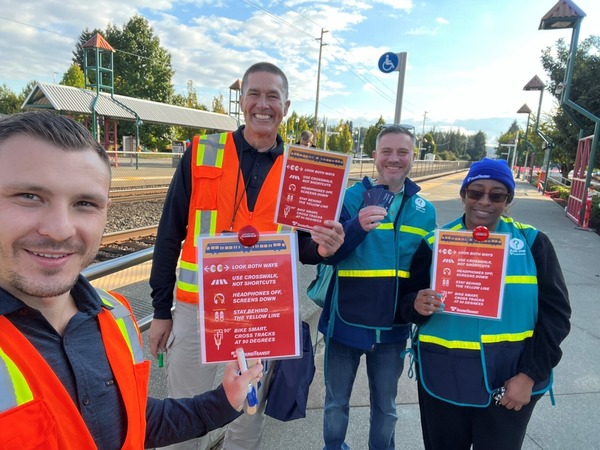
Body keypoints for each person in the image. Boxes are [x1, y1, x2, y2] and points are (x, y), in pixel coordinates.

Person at [0, 110, 264, 449]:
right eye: (29, 196)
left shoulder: (116, 316)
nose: (60, 229)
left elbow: (132, 418)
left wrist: (223, 401)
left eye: (84, 203)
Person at [148, 62, 344, 450]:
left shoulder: (302, 169)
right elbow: (169, 234)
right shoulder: (202, 153)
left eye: (273, 96)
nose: (263, 103)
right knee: (182, 418)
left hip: (262, 316)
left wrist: (323, 248)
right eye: (254, 93)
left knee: (246, 421)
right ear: (242, 100)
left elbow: (302, 247)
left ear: (286, 106)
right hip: (197, 310)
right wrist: (159, 311)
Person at [399, 158, 571, 450]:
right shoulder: (434, 244)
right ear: (463, 194)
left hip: (509, 383)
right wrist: (415, 304)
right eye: (476, 192)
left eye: (497, 195)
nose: (484, 201)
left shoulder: (533, 243)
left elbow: (557, 318)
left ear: (508, 201)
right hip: (444, 379)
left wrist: (529, 376)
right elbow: (402, 306)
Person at [316, 125, 437, 450]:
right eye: (387, 151)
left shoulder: (426, 212)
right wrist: (357, 226)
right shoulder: (348, 198)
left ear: (413, 157)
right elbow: (327, 256)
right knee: (335, 404)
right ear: (374, 157)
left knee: (386, 408)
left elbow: (424, 274)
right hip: (344, 327)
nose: (394, 159)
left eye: (402, 152)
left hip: (393, 332)